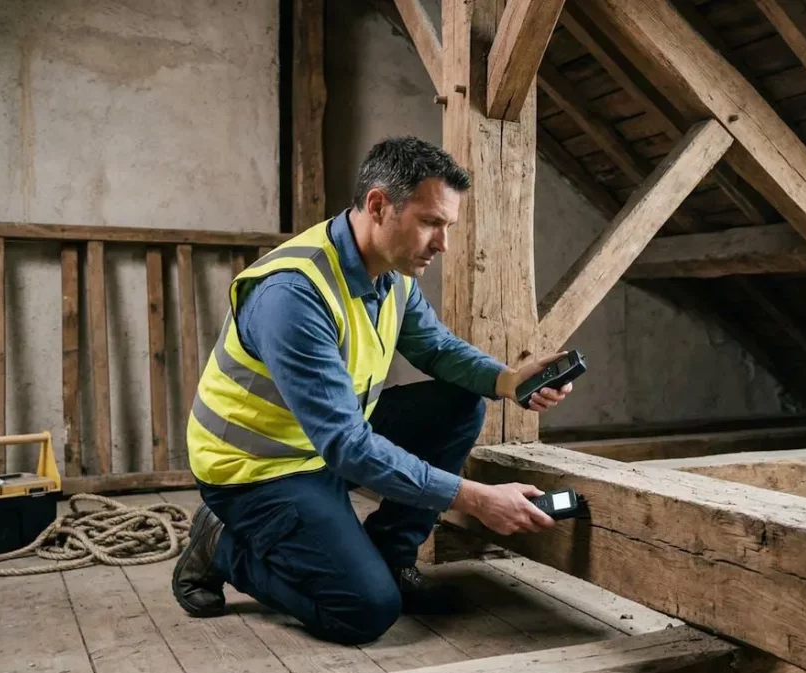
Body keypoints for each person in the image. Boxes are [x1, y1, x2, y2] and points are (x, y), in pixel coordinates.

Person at [170, 136, 570, 645]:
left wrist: (507, 380)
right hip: (260, 469)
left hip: (325, 443)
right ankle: (222, 543)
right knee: (364, 611)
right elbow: (348, 446)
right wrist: (473, 499)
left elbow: (437, 349)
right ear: (379, 205)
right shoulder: (293, 294)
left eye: (447, 225)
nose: (442, 243)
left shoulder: (390, 271)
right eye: (430, 222)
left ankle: (390, 557)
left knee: (460, 402)